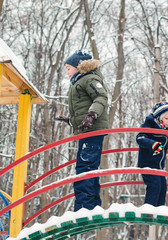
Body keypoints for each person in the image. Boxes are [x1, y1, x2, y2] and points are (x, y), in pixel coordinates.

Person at [56, 50, 109, 211]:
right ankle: (91, 205)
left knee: (84, 168)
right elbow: (82, 109)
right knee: (88, 167)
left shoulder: (89, 78)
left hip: (92, 131)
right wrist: (72, 121)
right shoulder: (80, 81)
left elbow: (101, 97)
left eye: (68, 68)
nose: (67, 72)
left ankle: (84, 208)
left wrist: (92, 115)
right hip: (87, 130)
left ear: (79, 67)